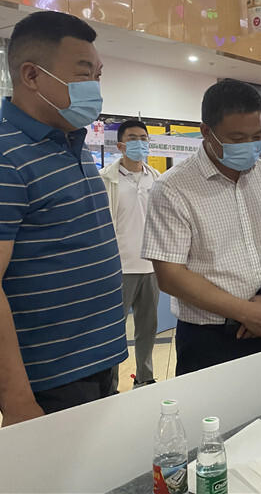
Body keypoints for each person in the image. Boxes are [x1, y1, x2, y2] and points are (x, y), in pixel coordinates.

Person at [0, 11, 127, 424]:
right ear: (31, 75)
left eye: (97, 75)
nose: (95, 88)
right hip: (49, 378)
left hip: (97, 358)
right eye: (84, 74)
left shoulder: (69, 143)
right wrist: (17, 400)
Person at [142, 79, 261, 375]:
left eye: (257, 136)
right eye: (237, 138)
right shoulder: (173, 188)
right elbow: (170, 276)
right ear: (206, 132)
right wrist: (245, 312)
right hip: (210, 338)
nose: (250, 146)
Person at [100, 119, 161, 390]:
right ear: (121, 145)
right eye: (133, 139)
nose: (140, 143)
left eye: (144, 138)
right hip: (119, 268)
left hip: (151, 267)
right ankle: (110, 385)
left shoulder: (156, 179)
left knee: (148, 328)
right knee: (114, 331)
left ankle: (145, 377)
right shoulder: (106, 179)